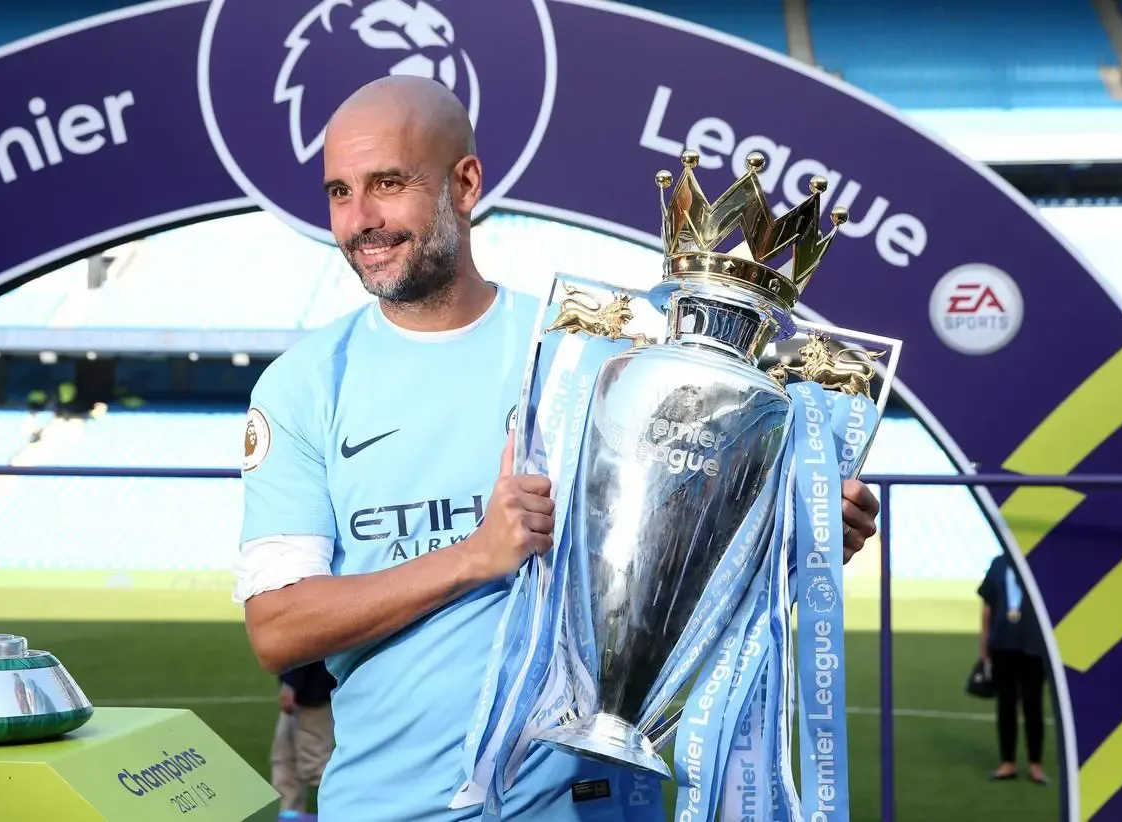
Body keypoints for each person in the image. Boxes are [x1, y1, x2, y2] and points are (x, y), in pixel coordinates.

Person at [232, 74, 883, 820]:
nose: (361, 219)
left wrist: (794, 530)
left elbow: (675, 553)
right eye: (340, 192)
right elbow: (277, 627)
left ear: (466, 182)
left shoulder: (585, 354)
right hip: (388, 807)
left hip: (586, 807)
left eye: (388, 183)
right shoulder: (302, 385)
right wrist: (474, 556)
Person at [978, 552, 1049, 785]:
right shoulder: (998, 563)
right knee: (1006, 704)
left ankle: (1035, 764)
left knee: (1033, 704)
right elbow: (988, 604)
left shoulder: (1040, 561)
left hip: (1034, 645)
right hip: (1002, 644)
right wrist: (984, 641)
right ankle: (1007, 762)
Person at [272, 660, 338, 818]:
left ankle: (350, 812)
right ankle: (289, 814)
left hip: (313, 693)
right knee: (284, 758)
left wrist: (291, 685)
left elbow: (305, 650)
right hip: (305, 692)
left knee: (315, 767)